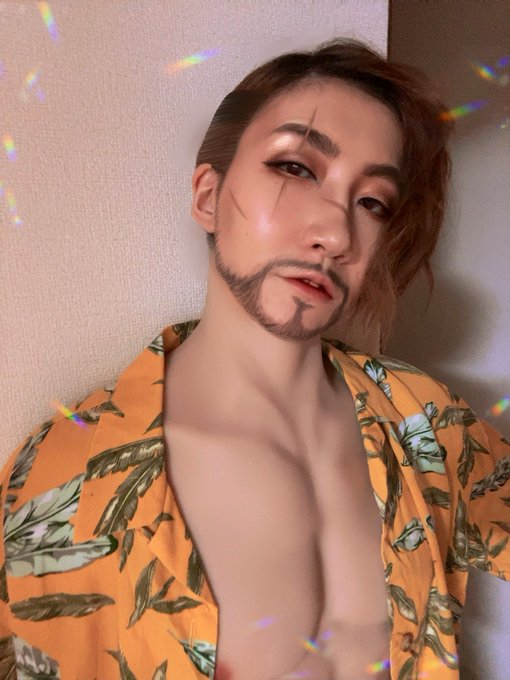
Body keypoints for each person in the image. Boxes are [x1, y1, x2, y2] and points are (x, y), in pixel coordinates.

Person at [0, 37, 509, 680]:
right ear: (208, 196)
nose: (336, 234)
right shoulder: (67, 476)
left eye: (372, 202)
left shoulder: (424, 422)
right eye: (295, 168)